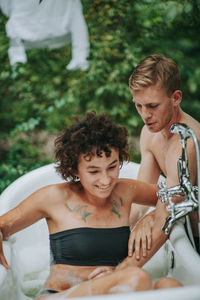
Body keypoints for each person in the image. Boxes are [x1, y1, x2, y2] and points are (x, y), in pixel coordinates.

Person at [0, 112, 181, 299]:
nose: (105, 180)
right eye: (94, 171)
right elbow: (3, 224)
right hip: (60, 295)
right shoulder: (53, 197)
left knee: (170, 285)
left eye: (112, 167)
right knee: (136, 278)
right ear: (74, 169)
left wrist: (149, 218)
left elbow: (175, 197)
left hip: (116, 288)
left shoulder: (126, 190)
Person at [128, 54, 200, 259]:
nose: (144, 115)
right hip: (186, 233)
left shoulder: (188, 140)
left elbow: (170, 208)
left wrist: (120, 272)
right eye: (138, 105)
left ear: (176, 98)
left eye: (152, 106)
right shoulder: (150, 134)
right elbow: (141, 201)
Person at [0, 0, 89, 70]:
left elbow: (7, 8)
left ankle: (18, 63)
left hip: (27, 31)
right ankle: (18, 63)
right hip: (56, 29)